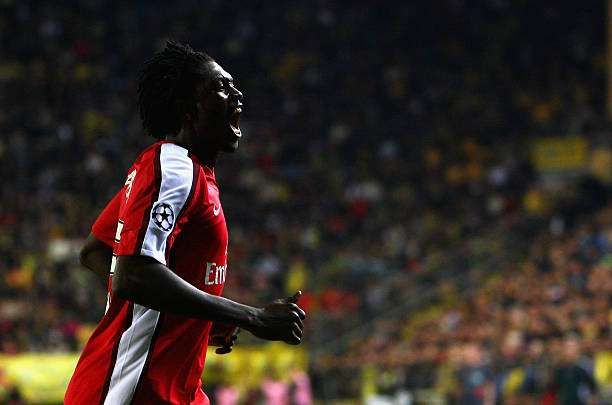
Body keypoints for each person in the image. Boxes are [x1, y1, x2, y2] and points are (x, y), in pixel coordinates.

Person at [64, 41, 306, 405]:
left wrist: (191, 315)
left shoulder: (190, 174)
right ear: (188, 108)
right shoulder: (171, 167)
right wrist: (250, 316)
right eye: (222, 87)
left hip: (178, 391)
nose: (237, 95)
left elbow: (96, 251)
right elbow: (133, 274)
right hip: (130, 391)